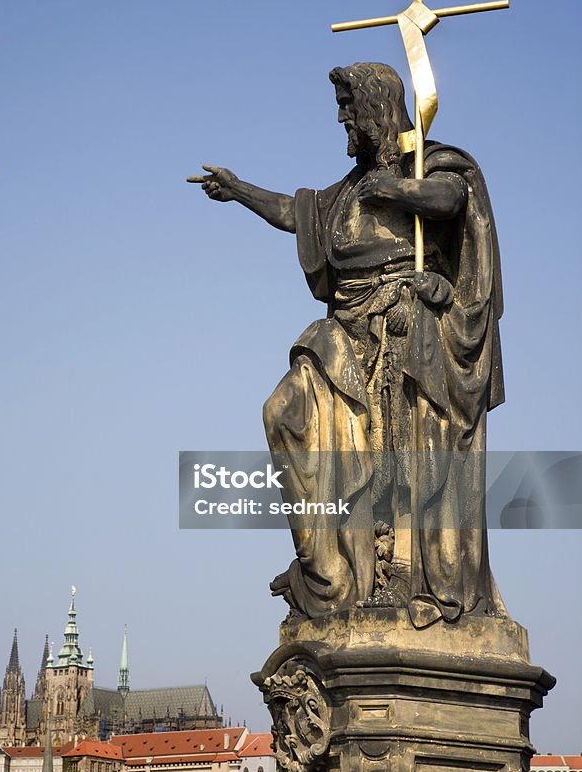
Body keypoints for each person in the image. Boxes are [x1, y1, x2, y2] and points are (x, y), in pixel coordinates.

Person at [188, 63, 505, 627]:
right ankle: (325, 569)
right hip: (344, 328)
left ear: (376, 112)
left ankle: (404, 577)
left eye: (348, 110)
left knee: (401, 466)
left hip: (408, 329)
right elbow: (296, 213)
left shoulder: (429, 163)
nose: (341, 121)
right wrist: (239, 191)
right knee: (283, 411)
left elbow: (453, 199)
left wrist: (397, 188)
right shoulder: (348, 190)